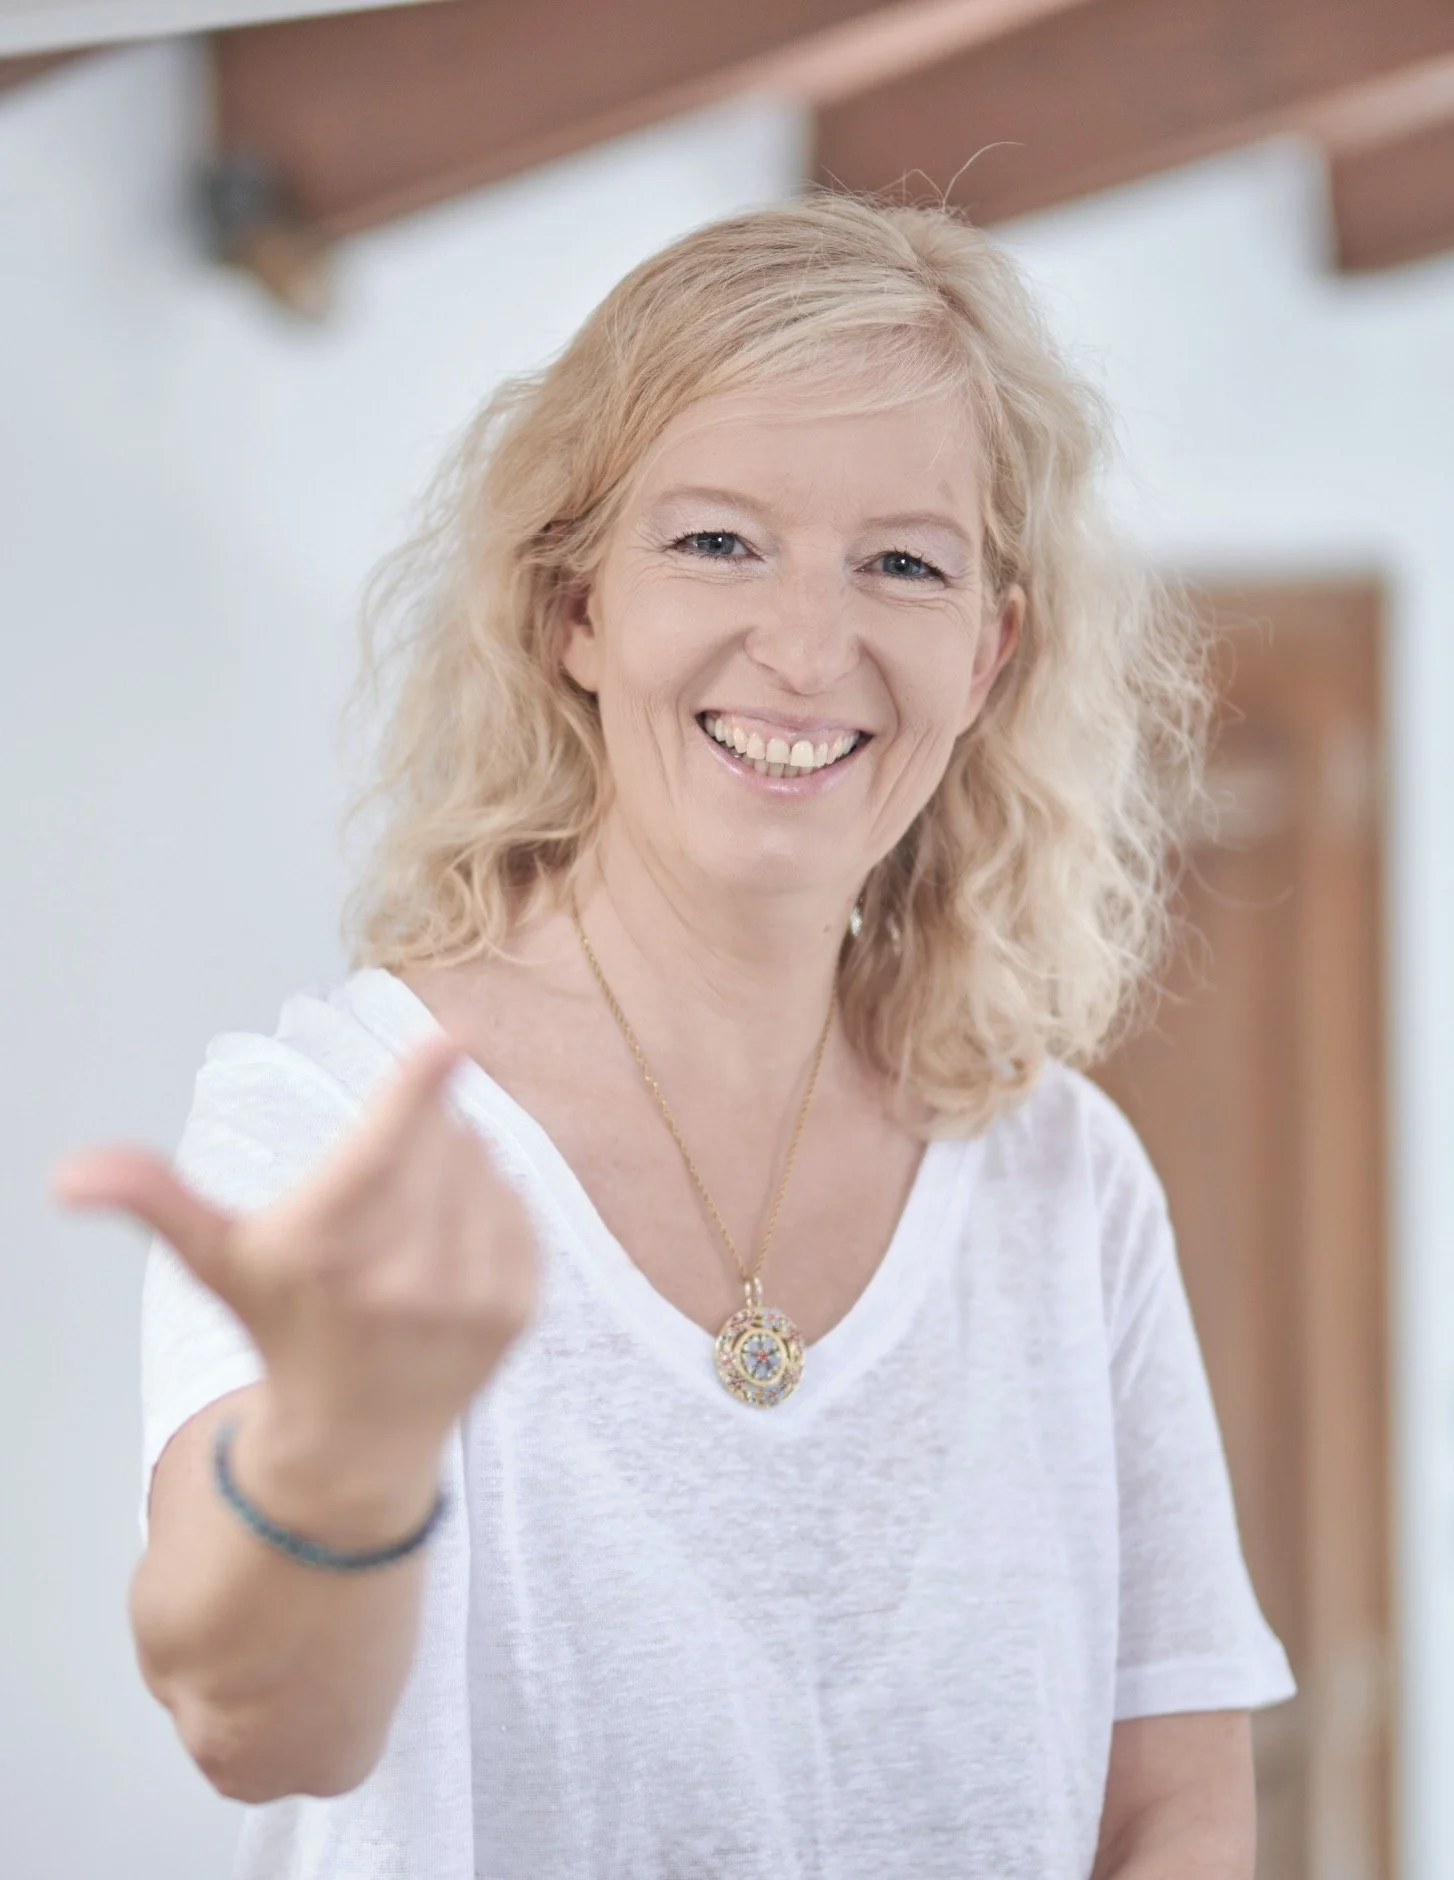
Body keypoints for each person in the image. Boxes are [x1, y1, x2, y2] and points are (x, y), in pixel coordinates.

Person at [53, 191, 1294, 1879]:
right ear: (573, 607)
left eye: (902, 563)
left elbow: (1175, 1806)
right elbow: (259, 1725)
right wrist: (338, 1464)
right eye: (715, 541)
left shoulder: (1063, 1182)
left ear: (989, 650)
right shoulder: (337, 1127)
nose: (802, 644)